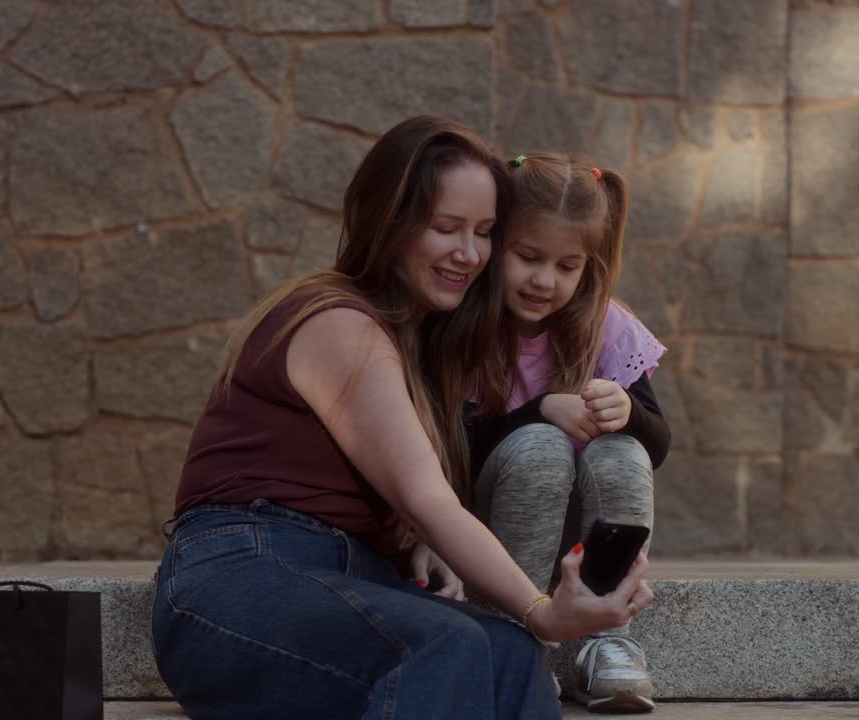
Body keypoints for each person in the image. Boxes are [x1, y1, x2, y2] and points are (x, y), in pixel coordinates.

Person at [149, 118, 654, 720]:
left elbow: (415, 501)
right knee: (451, 642)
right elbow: (425, 497)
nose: (470, 254)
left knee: (513, 657)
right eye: (447, 228)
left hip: (352, 579)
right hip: (239, 574)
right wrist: (543, 610)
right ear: (389, 221)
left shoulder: (424, 345)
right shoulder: (337, 320)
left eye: (486, 233)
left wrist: (409, 542)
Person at [466, 152, 671, 714]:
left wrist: (627, 409)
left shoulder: (607, 327)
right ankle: (512, 637)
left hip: (581, 541)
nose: (543, 280)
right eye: (527, 257)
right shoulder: (465, 327)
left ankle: (608, 638)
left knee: (623, 450)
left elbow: (659, 443)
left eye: (566, 266)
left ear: (590, 265)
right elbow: (454, 452)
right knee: (540, 444)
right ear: (495, 243)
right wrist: (539, 411)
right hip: (493, 536)